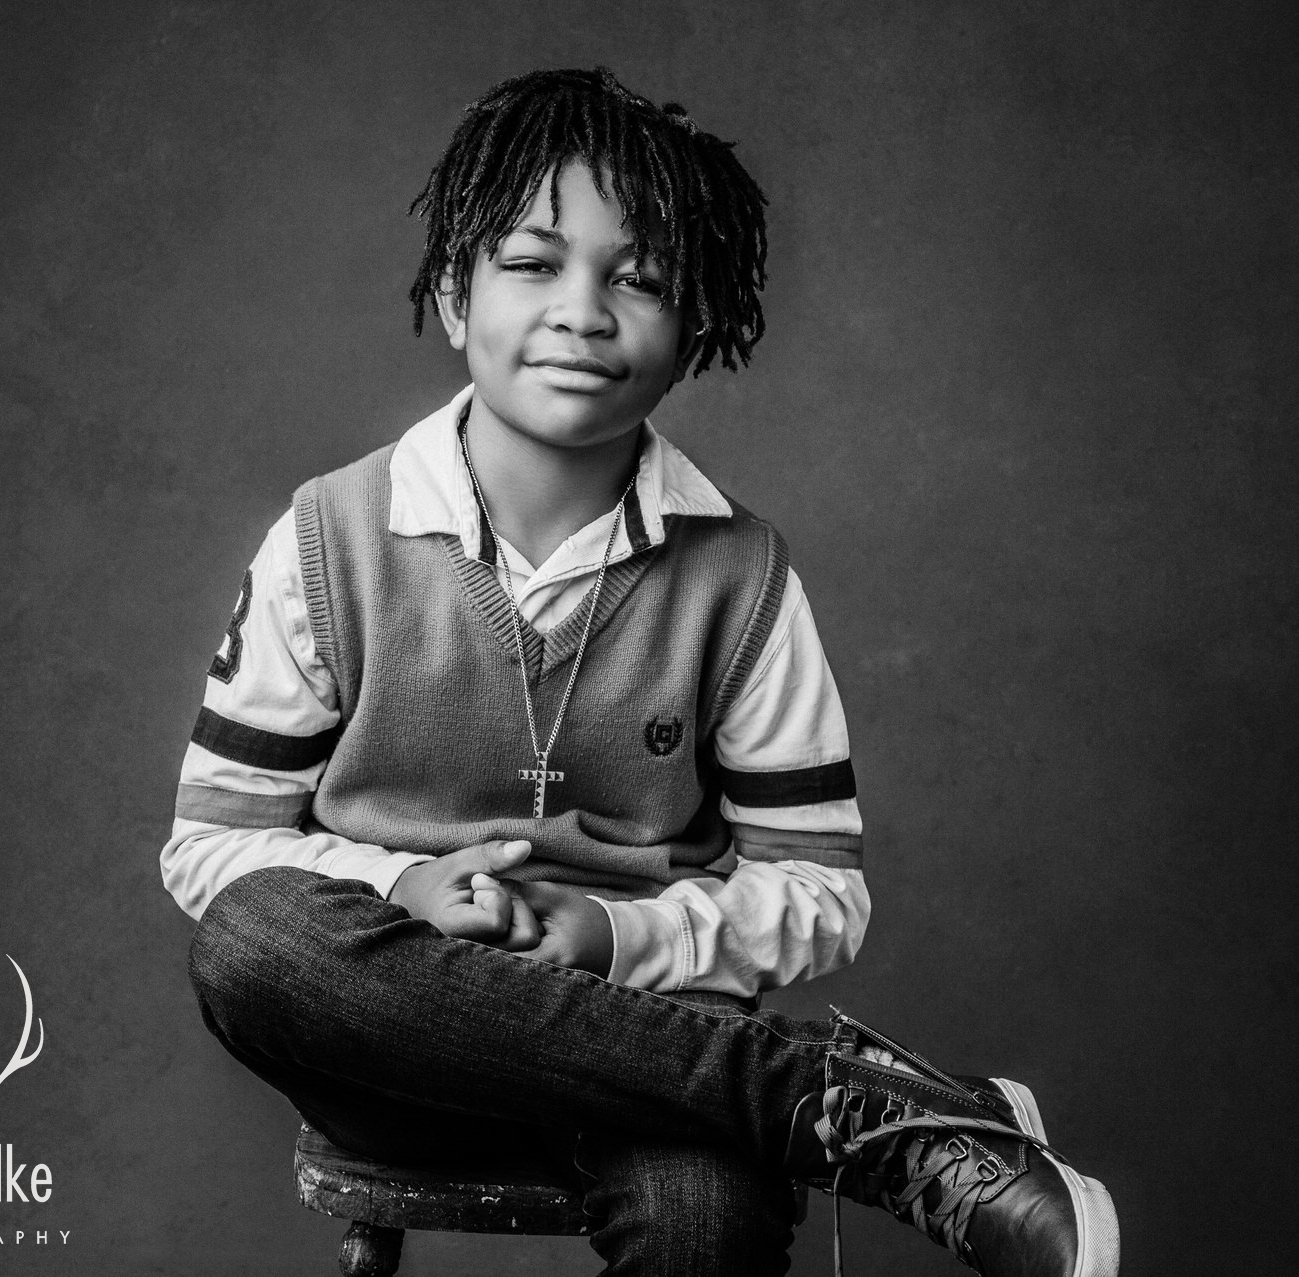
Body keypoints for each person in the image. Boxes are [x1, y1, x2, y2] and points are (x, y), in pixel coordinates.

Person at [162, 67, 1118, 1277]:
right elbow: (210, 844)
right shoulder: (326, 537)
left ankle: (806, 1104)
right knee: (253, 941)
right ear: (455, 295)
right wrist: (402, 885)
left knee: (706, 1221)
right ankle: (842, 1106)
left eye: (642, 277)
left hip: (655, 1054)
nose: (584, 309)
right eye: (532, 262)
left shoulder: (743, 573)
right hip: (400, 1053)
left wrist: (614, 936)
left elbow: (821, 886)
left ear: (694, 334)